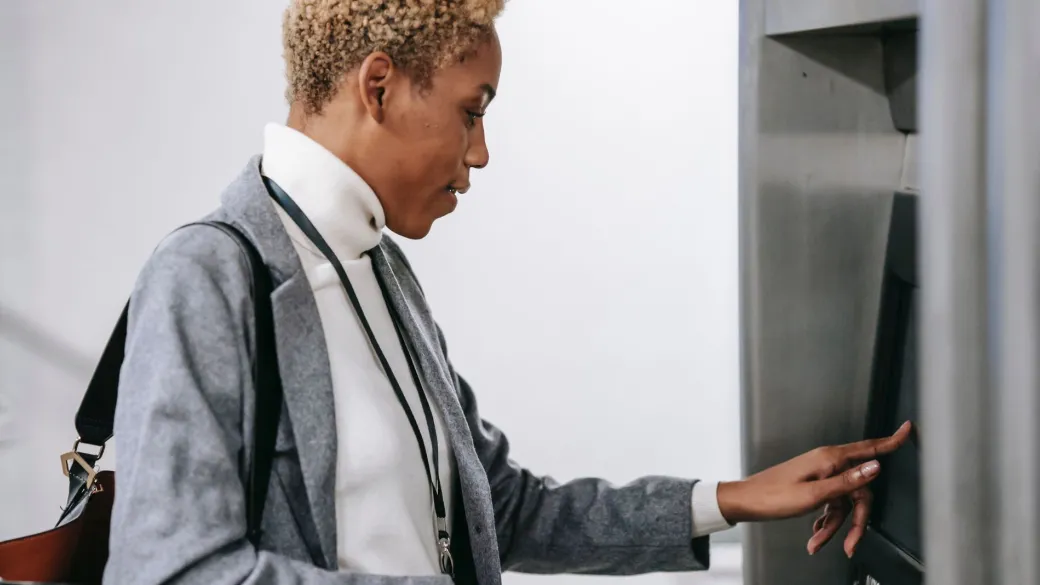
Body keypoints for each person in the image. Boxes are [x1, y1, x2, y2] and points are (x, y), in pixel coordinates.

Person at [104, 1, 912, 584]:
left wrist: (729, 500)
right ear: (378, 86)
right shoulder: (208, 276)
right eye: (470, 111)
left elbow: (503, 508)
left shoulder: (378, 269)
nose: (481, 152)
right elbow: (170, 568)